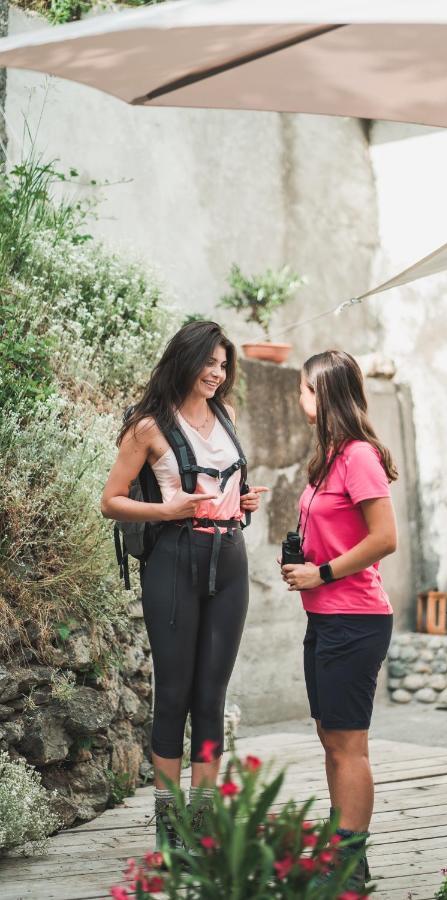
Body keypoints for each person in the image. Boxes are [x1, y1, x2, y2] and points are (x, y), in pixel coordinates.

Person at [101, 320, 268, 848]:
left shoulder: (228, 415)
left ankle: (203, 823)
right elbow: (111, 500)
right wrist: (165, 508)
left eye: (224, 365)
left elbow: (228, 487)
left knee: (212, 695)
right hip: (173, 557)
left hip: (230, 555)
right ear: (186, 359)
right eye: (210, 363)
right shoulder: (148, 425)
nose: (218, 374)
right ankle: (169, 827)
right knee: (173, 693)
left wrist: (245, 503)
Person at [281, 349, 397, 891]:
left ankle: (351, 862)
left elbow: (384, 539)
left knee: (350, 744)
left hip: (355, 618)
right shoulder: (328, 456)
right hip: (326, 617)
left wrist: (321, 573)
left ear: (323, 394)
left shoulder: (357, 456)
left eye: (304, 388)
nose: (299, 397)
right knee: (331, 736)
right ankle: (338, 843)